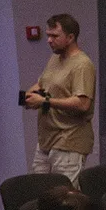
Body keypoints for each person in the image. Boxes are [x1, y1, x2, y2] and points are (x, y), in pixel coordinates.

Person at [21, 13, 95, 183]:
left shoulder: (82, 65)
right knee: (38, 191)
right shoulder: (55, 58)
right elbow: (43, 83)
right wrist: (29, 97)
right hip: (46, 141)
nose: (49, 40)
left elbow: (83, 103)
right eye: (48, 35)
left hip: (69, 141)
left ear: (70, 37)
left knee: (63, 193)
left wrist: (45, 101)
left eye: (55, 36)